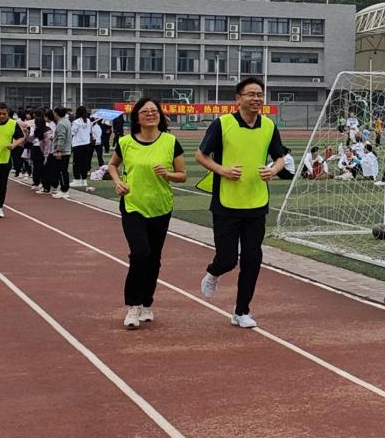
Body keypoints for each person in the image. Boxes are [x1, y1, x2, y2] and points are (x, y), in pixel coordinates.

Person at [195, 76, 286, 329]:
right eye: (251, 94)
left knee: (252, 259)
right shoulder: (222, 124)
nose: (256, 98)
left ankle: (241, 310)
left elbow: (280, 157)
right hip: (226, 202)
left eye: (260, 94)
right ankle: (214, 272)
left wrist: (273, 169)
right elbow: (200, 155)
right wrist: (222, 170)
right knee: (227, 259)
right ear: (238, 98)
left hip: (256, 202)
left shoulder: (268, 126)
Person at [108, 97, 187, 329]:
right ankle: (133, 305)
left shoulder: (170, 141)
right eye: (145, 111)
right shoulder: (125, 142)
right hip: (133, 205)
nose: (150, 114)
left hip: (161, 206)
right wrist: (118, 182)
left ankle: (146, 303)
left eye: (154, 111)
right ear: (137, 117)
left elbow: (182, 175)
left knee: (153, 259)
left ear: (160, 115)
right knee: (140, 253)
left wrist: (168, 174)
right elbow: (112, 165)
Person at [52, 106, 73, 198]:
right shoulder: (67, 121)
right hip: (66, 150)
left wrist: (58, 150)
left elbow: (61, 137)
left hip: (63, 151)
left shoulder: (61, 124)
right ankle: (64, 189)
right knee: (63, 170)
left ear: (56, 113)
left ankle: (64, 190)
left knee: (61, 171)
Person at [71, 106, 93, 188]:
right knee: (84, 163)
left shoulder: (76, 122)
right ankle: (84, 180)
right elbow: (90, 131)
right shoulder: (88, 121)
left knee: (76, 163)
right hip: (86, 144)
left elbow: (72, 133)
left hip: (78, 145)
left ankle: (77, 180)